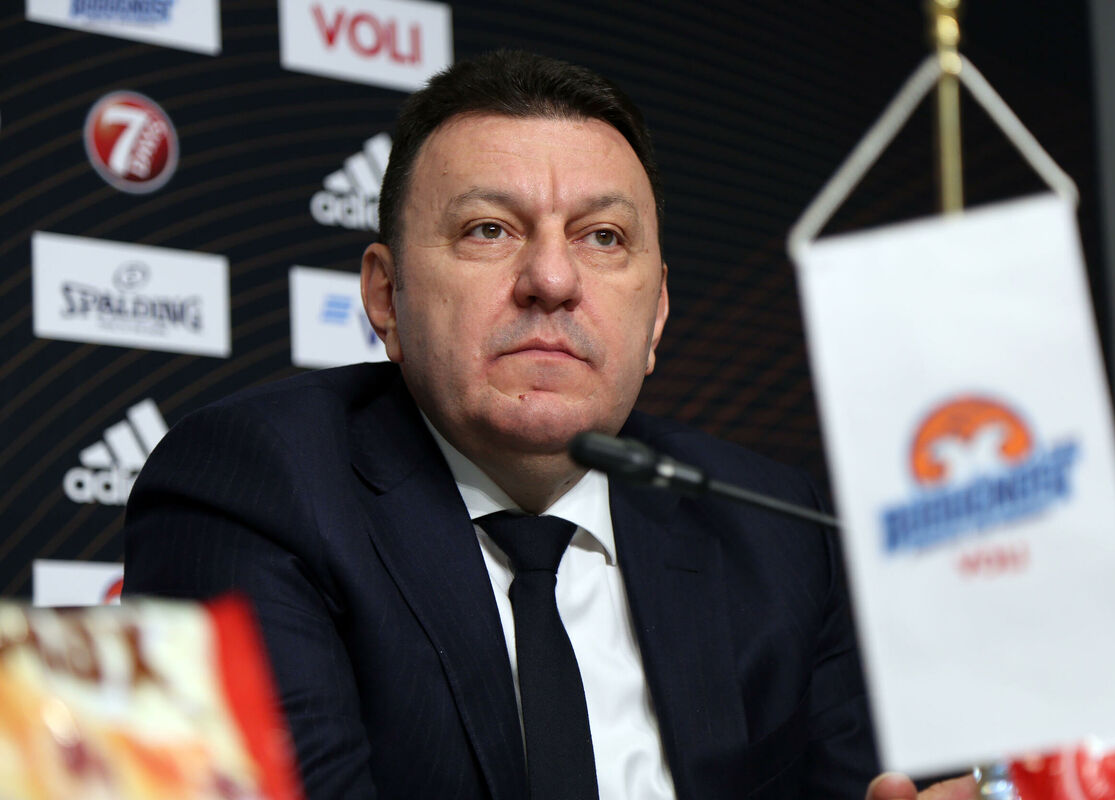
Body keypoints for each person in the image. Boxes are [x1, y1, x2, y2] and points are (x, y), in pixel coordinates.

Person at [123, 50, 971, 800]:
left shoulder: (770, 526)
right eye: (489, 230)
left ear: (657, 313)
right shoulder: (256, 486)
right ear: (386, 296)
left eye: (603, 238)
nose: (554, 280)